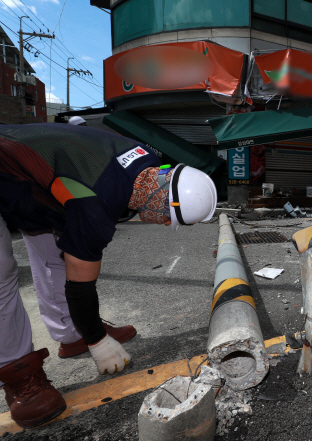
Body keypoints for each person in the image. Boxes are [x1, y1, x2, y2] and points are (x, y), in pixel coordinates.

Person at [0, 124, 217, 428]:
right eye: (169, 216)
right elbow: (80, 288)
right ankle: (18, 373)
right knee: (2, 274)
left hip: (35, 181)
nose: (165, 223)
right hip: (11, 169)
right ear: (159, 199)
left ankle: (70, 333)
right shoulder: (94, 204)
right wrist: (98, 341)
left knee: (53, 252)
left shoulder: (150, 161)